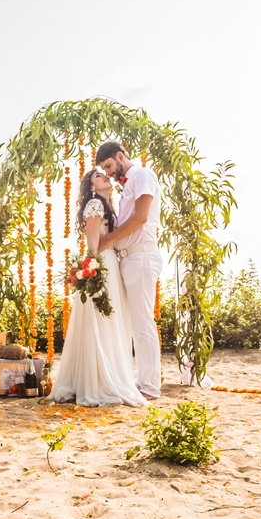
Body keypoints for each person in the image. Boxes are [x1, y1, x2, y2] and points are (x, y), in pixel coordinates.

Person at [48, 169, 147, 407]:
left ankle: (110, 374)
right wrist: (92, 271)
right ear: (91, 186)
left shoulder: (108, 204)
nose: (103, 176)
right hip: (102, 263)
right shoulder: (95, 204)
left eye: (104, 173)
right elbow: (93, 242)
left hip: (111, 261)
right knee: (102, 319)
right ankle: (99, 380)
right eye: (96, 176)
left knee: (110, 319)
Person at [96, 141, 163, 400]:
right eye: (104, 169)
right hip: (128, 259)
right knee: (133, 324)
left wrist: (108, 240)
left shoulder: (142, 174)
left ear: (120, 156)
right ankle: (138, 380)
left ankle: (149, 386)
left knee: (143, 323)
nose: (108, 172)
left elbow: (142, 217)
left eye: (108, 166)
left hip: (141, 257)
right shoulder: (126, 186)